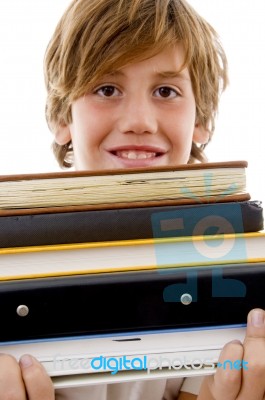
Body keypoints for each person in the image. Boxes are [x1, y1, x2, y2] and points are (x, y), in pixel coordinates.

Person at [1, 0, 265, 399]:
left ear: (201, 121)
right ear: (62, 118)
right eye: (106, 89)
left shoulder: (217, 253)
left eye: (166, 90)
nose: (138, 121)